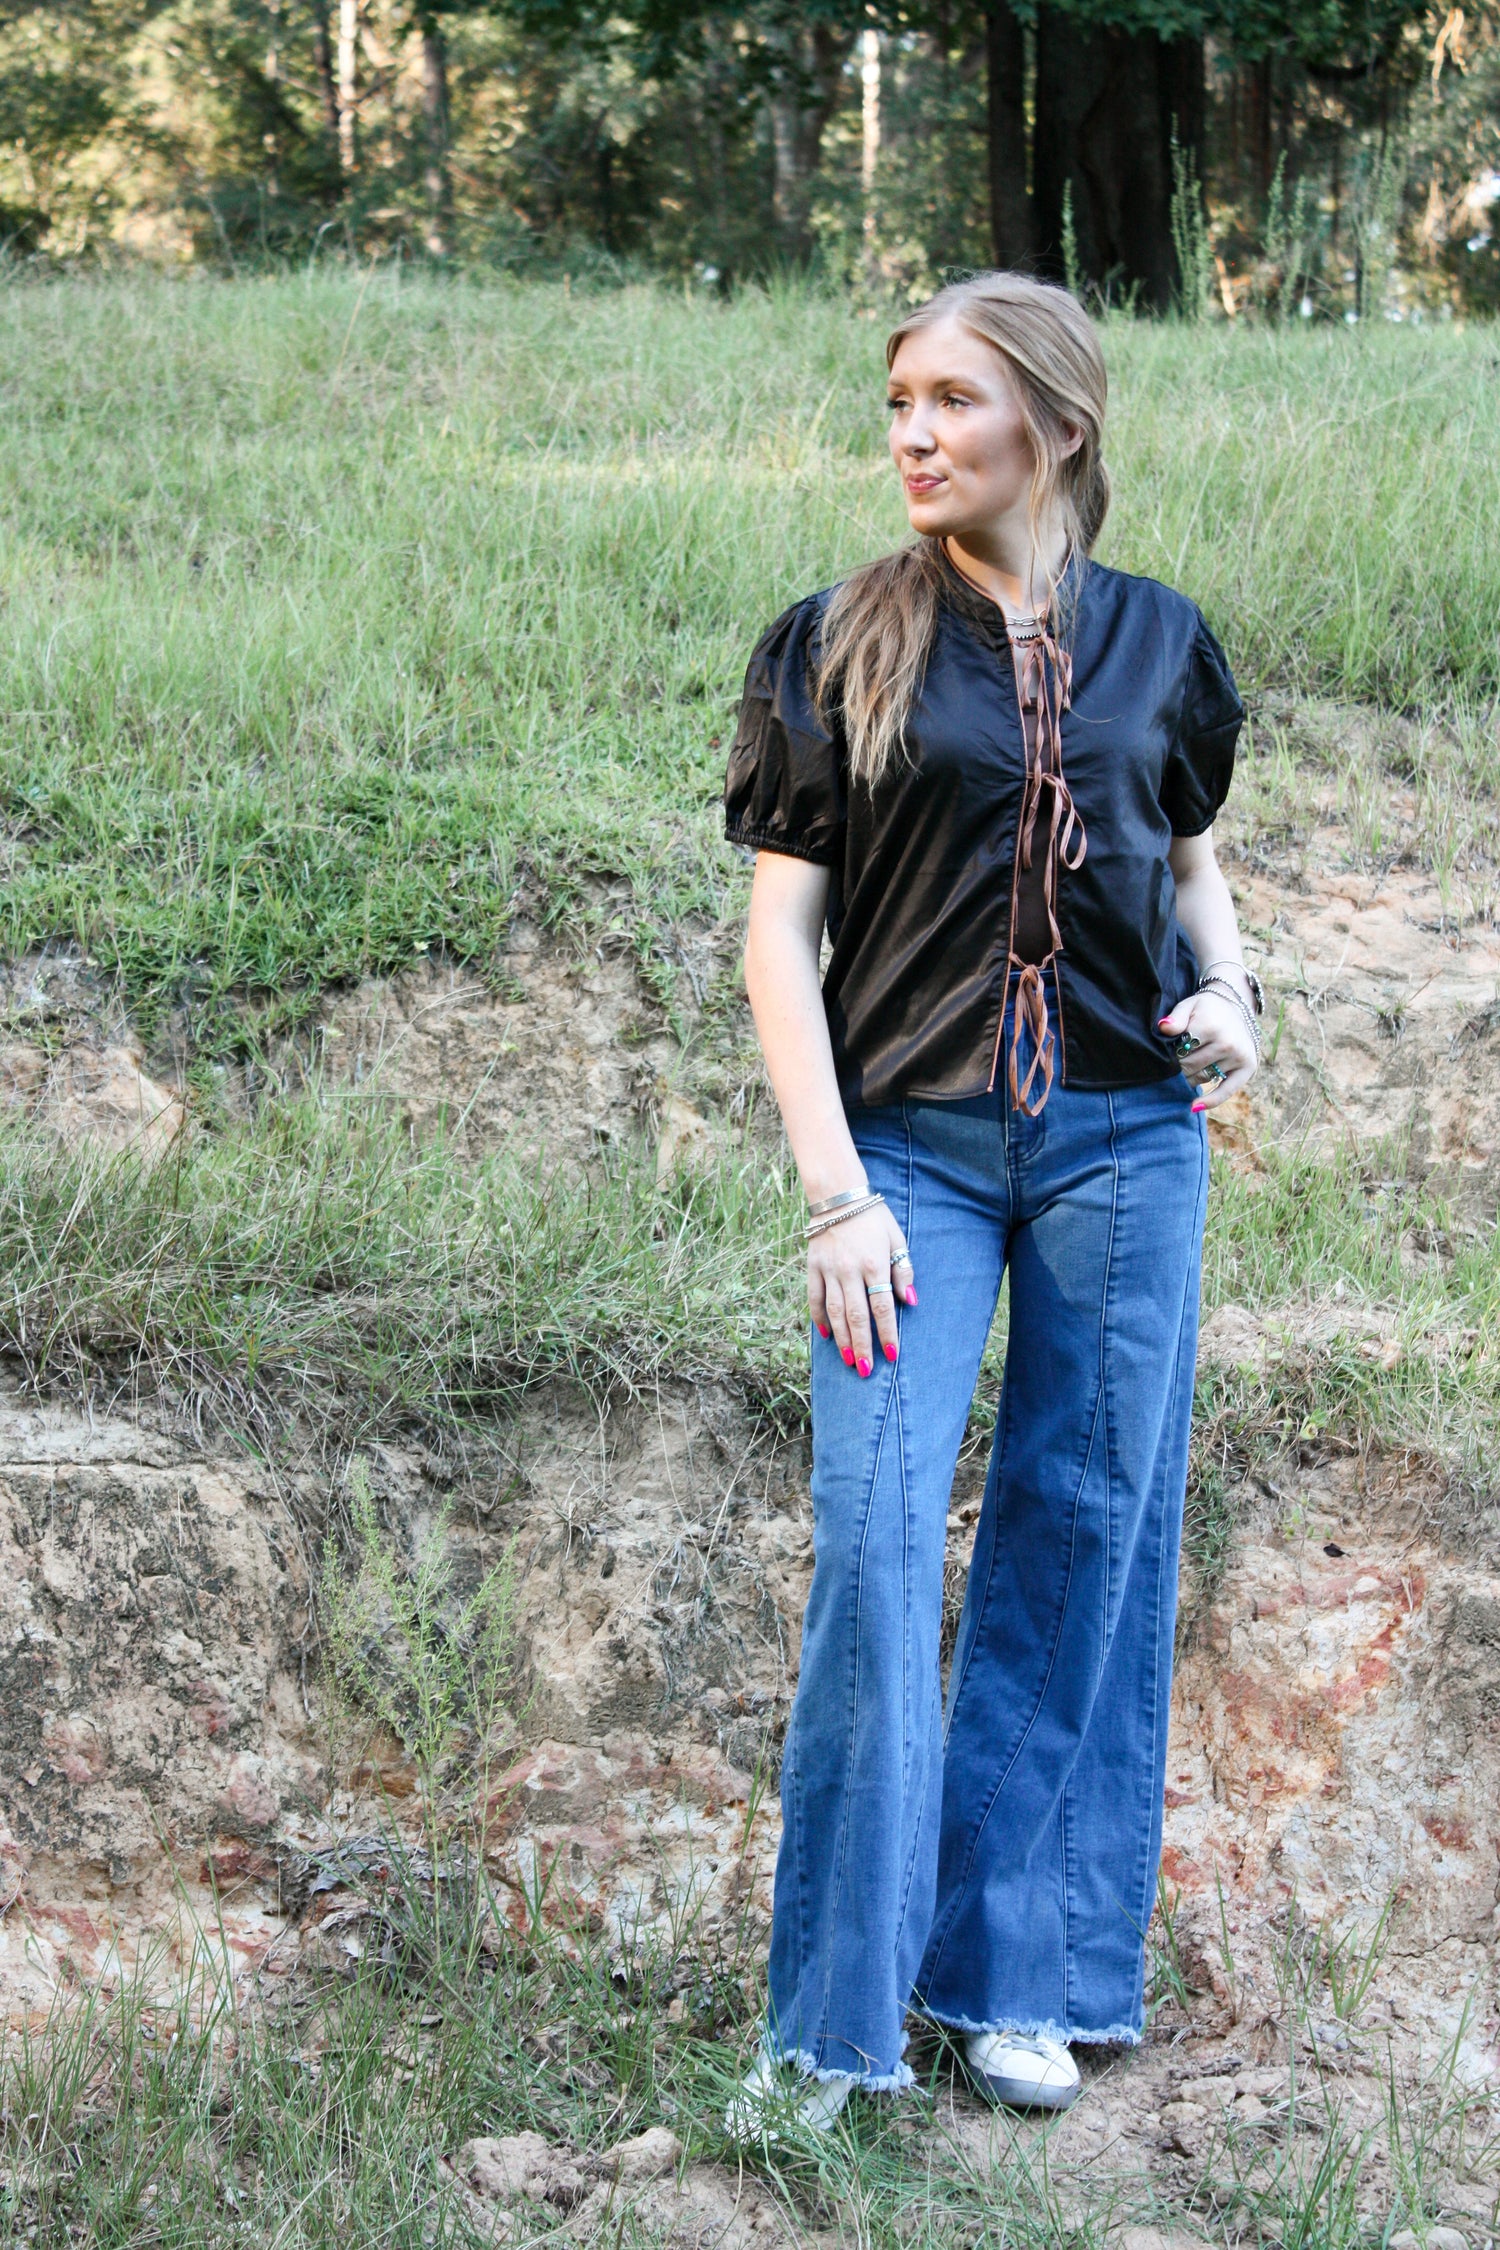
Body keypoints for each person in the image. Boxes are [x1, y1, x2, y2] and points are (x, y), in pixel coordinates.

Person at [721, 272, 1260, 2134]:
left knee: (1082, 1540)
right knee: (876, 1539)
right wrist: (834, 1194)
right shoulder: (837, 642)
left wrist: (1236, 997)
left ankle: (1017, 1973)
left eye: (953, 399)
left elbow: (1191, 873)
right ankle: (830, 2021)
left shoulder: (1161, 642)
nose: (914, 434)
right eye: (899, 402)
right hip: (908, 1160)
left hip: (1126, 1141)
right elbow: (779, 945)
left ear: (1058, 422)